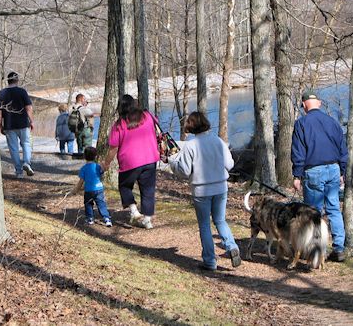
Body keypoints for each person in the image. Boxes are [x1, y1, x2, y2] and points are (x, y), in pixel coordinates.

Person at [167, 111, 241, 271]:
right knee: (220, 220)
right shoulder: (218, 141)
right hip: (221, 187)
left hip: (201, 191)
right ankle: (231, 246)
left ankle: (209, 261)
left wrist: (172, 163)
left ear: (191, 126)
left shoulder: (191, 145)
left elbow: (185, 171)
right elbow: (230, 164)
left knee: (205, 225)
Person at [291, 90, 348, 262]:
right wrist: (342, 171)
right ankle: (339, 247)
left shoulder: (302, 123)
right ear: (320, 103)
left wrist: (297, 175)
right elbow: (343, 150)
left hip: (314, 171)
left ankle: (316, 250)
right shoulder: (332, 122)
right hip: (334, 169)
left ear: (303, 105)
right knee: (333, 209)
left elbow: (298, 152)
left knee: (313, 212)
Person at [103, 94, 159, 229]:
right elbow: (156, 128)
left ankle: (134, 212)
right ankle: (147, 219)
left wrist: (106, 163)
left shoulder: (118, 125)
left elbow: (113, 148)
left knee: (125, 186)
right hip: (150, 158)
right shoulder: (147, 116)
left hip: (130, 162)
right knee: (148, 189)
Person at [0, 71, 34, 178]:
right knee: (26, 144)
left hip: (9, 125)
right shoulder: (22, 92)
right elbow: (28, 108)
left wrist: (0, 124)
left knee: (13, 148)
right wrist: (31, 121)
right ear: (17, 80)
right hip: (23, 124)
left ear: (8, 81)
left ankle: (19, 172)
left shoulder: (1, 93)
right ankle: (26, 162)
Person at [70, 146, 112, 227]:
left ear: (84, 156)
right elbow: (103, 170)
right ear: (95, 156)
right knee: (101, 204)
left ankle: (90, 219)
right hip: (99, 189)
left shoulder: (84, 168)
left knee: (88, 204)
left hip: (89, 190)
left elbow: (81, 182)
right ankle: (107, 219)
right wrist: (103, 164)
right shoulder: (97, 166)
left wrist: (75, 190)